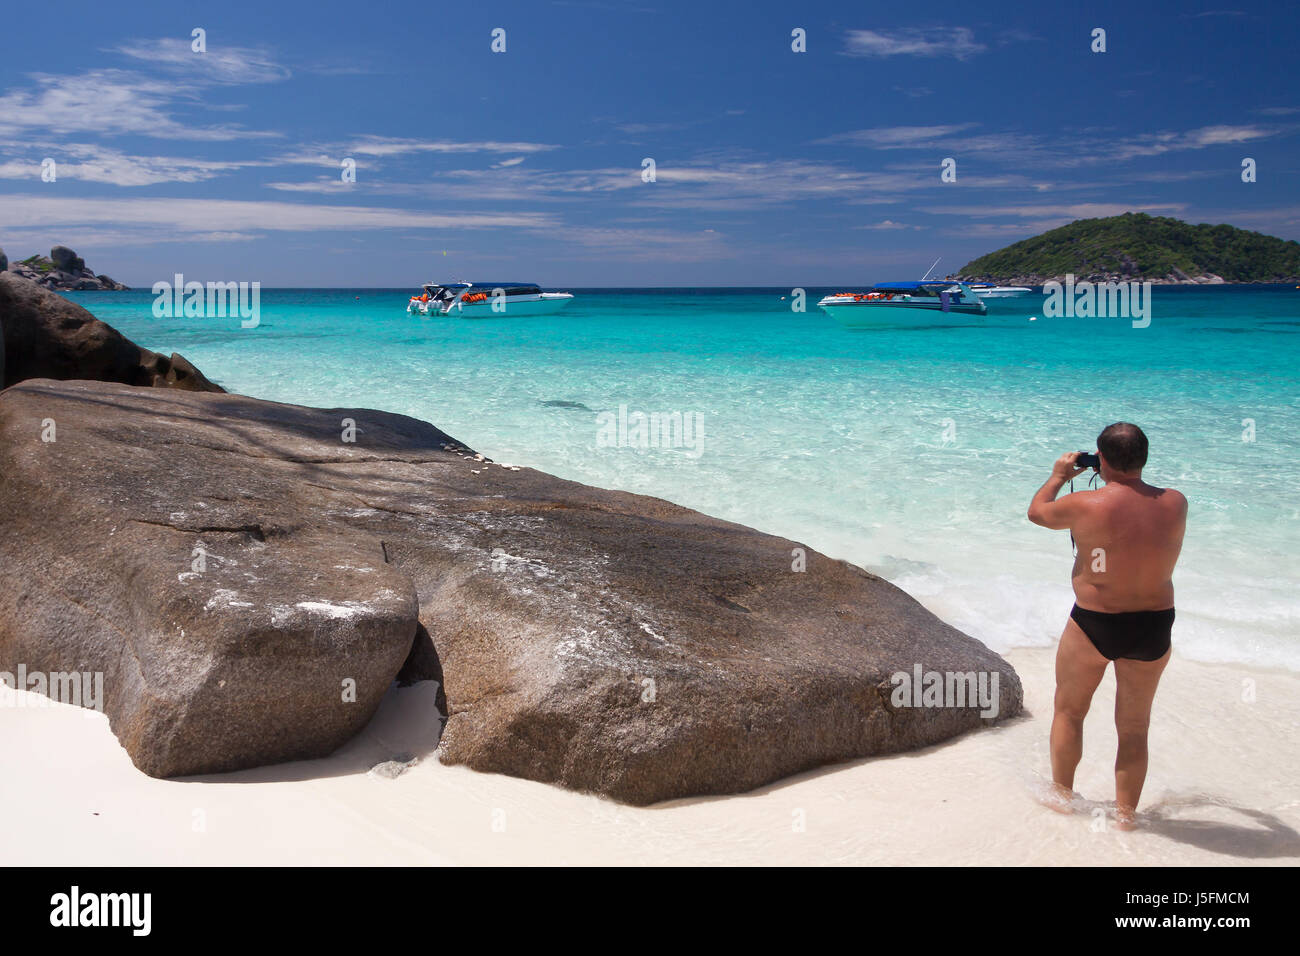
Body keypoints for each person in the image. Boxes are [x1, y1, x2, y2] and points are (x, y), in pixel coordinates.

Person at [1027, 423, 1187, 829]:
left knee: (1069, 712)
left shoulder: (1084, 504)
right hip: (1153, 626)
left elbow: (1037, 513)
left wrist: (1059, 476)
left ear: (1101, 458)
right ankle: (1126, 817)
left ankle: (1062, 798)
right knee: (1134, 728)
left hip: (1095, 623)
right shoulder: (1176, 502)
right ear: (1145, 457)